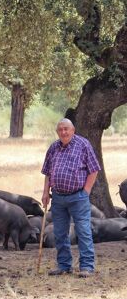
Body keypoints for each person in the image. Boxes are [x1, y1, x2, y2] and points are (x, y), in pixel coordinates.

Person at [41, 118, 101, 278]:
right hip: (58, 198)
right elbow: (47, 172)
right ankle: (64, 265)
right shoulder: (53, 147)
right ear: (57, 132)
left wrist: (86, 191)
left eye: (66, 129)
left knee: (83, 231)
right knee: (60, 233)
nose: (63, 132)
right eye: (60, 129)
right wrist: (45, 192)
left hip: (78, 197)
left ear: (73, 130)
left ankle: (87, 266)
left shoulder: (83, 145)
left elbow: (94, 170)